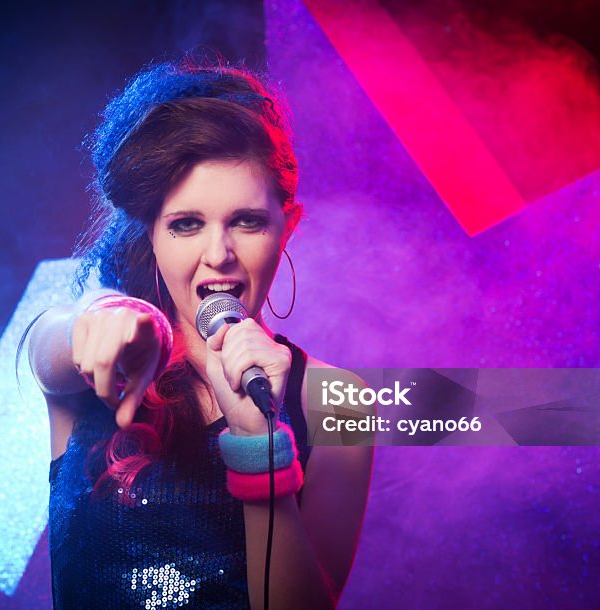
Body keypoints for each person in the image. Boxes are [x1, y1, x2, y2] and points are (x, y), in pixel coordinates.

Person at [27, 58, 373, 609]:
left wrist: (260, 447)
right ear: (153, 234)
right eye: (186, 224)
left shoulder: (342, 404)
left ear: (290, 225)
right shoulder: (102, 354)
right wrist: (97, 315)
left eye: (247, 221)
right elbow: (47, 348)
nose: (219, 256)